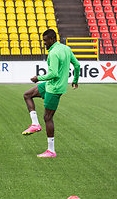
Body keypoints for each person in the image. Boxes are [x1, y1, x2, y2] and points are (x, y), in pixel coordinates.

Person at [22, 29, 80, 157]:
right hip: (50, 85)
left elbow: (54, 74)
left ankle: (51, 151)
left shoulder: (53, 53)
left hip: (54, 89)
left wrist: (38, 78)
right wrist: (75, 80)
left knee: (48, 118)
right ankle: (35, 124)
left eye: (45, 41)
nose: (44, 43)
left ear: (52, 39)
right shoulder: (66, 49)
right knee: (27, 95)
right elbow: (77, 65)